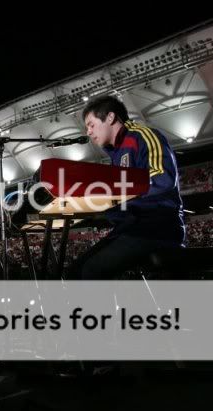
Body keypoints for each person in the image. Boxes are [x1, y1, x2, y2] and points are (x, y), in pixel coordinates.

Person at [69, 95, 185, 279]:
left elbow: (163, 177)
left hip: (157, 227)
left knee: (91, 271)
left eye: (91, 124)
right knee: (74, 271)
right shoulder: (116, 154)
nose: (88, 132)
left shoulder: (143, 136)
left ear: (110, 117)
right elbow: (120, 197)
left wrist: (114, 193)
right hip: (131, 228)